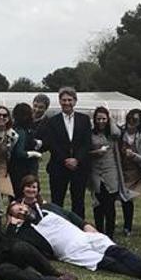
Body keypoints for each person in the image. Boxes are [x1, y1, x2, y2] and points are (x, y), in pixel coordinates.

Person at [10, 176, 141, 280]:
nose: (23, 210)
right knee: (109, 263)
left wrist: (85, 225)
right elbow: (15, 244)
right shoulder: (25, 233)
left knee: (118, 251)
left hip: (82, 236)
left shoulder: (46, 207)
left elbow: (69, 215)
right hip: (71, 250)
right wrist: (13, 223)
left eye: (34, 187)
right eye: (19, 211)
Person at [40, 87, 91, 218]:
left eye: (69, 100)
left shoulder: (84, 120)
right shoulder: (52, 121)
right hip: (58, 166)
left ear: (75, 101)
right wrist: (65, 160)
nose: (66, 103)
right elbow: (52, 143)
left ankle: (79, 228)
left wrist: (77, 160)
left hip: (79, 168)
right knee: (57, 201)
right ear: (59, 101)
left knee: (78, 201)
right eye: (64, 100)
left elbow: (86, 143)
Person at [87, 107, 125, 239]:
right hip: (96, 173)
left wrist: (111, 121)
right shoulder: (90, 134)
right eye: (98, 119)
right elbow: (86, 152)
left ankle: (110, 234)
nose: (101, 121)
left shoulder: (112, 134)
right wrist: (96, 152)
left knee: (110, 205)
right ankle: (99, 233)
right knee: (98, 204)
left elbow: (118, 133)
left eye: (104, 118)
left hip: (111, 173)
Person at [118, 109, 141, 237]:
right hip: (120, 167)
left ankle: (127, 226)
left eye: (135, 120)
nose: (131, 122)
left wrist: (133, 155)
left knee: (128, 197)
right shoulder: (121, 132)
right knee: (119, 196)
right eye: (129, 118)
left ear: (140, 122)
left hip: (135, 170)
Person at [9, 103, 42, 198]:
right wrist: (35, 154)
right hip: (23, 171)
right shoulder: (21, 131)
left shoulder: (18, 129)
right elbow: (19, 153)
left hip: (17, 170)